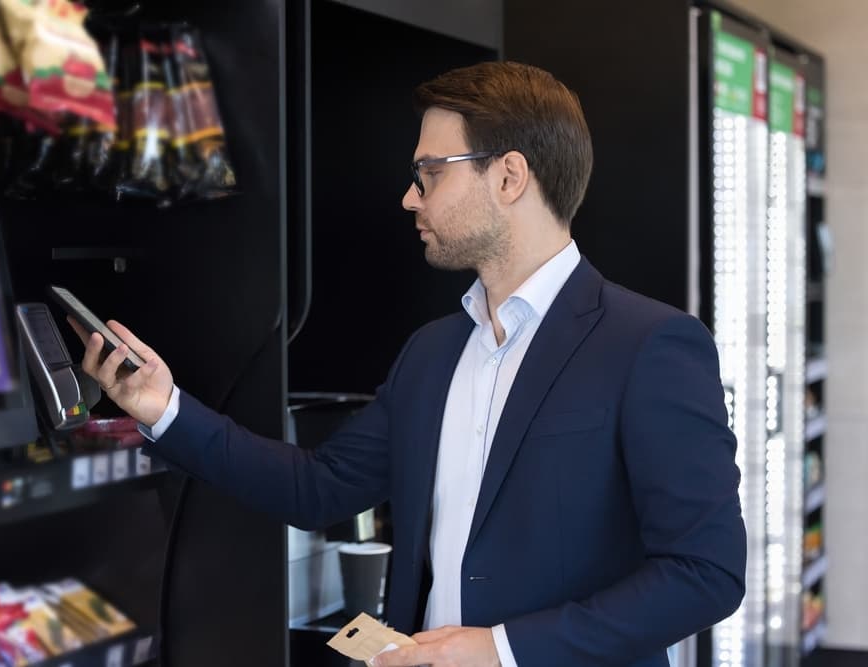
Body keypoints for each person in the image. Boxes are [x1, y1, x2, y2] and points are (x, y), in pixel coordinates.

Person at [71, 61, 745, 667]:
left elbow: (706, 571)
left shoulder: (651, 344)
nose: (410, 197)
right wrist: (164, 408)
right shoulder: (432, 351)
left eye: (431, 172)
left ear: (508, 176)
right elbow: (318, 488)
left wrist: (502, 651)